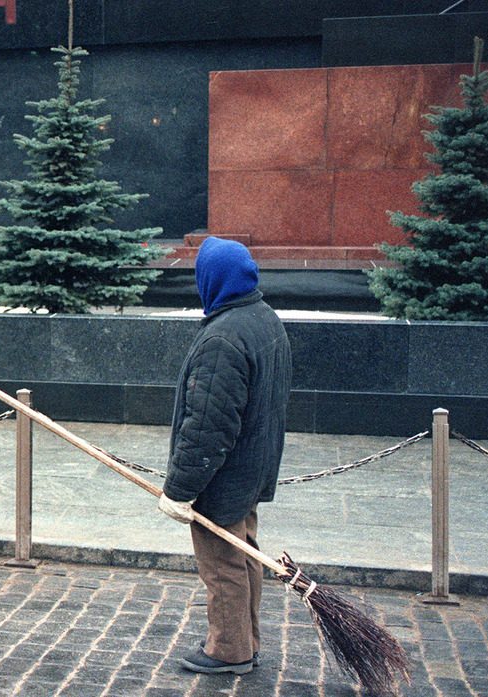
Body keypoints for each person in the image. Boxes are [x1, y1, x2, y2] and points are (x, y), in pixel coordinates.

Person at [156, 236, 292, 675]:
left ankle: (229, 649)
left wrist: (180, 490)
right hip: (251, 467)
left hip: (224, 474)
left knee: (222, 562)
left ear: (213, 280)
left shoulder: (224, 338)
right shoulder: (262, 318)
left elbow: (209, 425)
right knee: (244, 552)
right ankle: (245, 639)